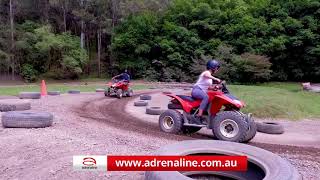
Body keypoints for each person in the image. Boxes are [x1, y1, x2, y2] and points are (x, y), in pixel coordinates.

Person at [191, 60, 221, 124]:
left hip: (201, 91)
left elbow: (208, 87)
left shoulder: (210, 78)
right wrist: (215, 79)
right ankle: (198, 116)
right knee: (206, 97)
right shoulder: (206, 73)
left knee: (210, 99)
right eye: (216, 68)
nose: (217, 69)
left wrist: (215, 87)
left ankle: (206, 115)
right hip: (196, 90)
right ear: (212, 67)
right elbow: (207, 75)